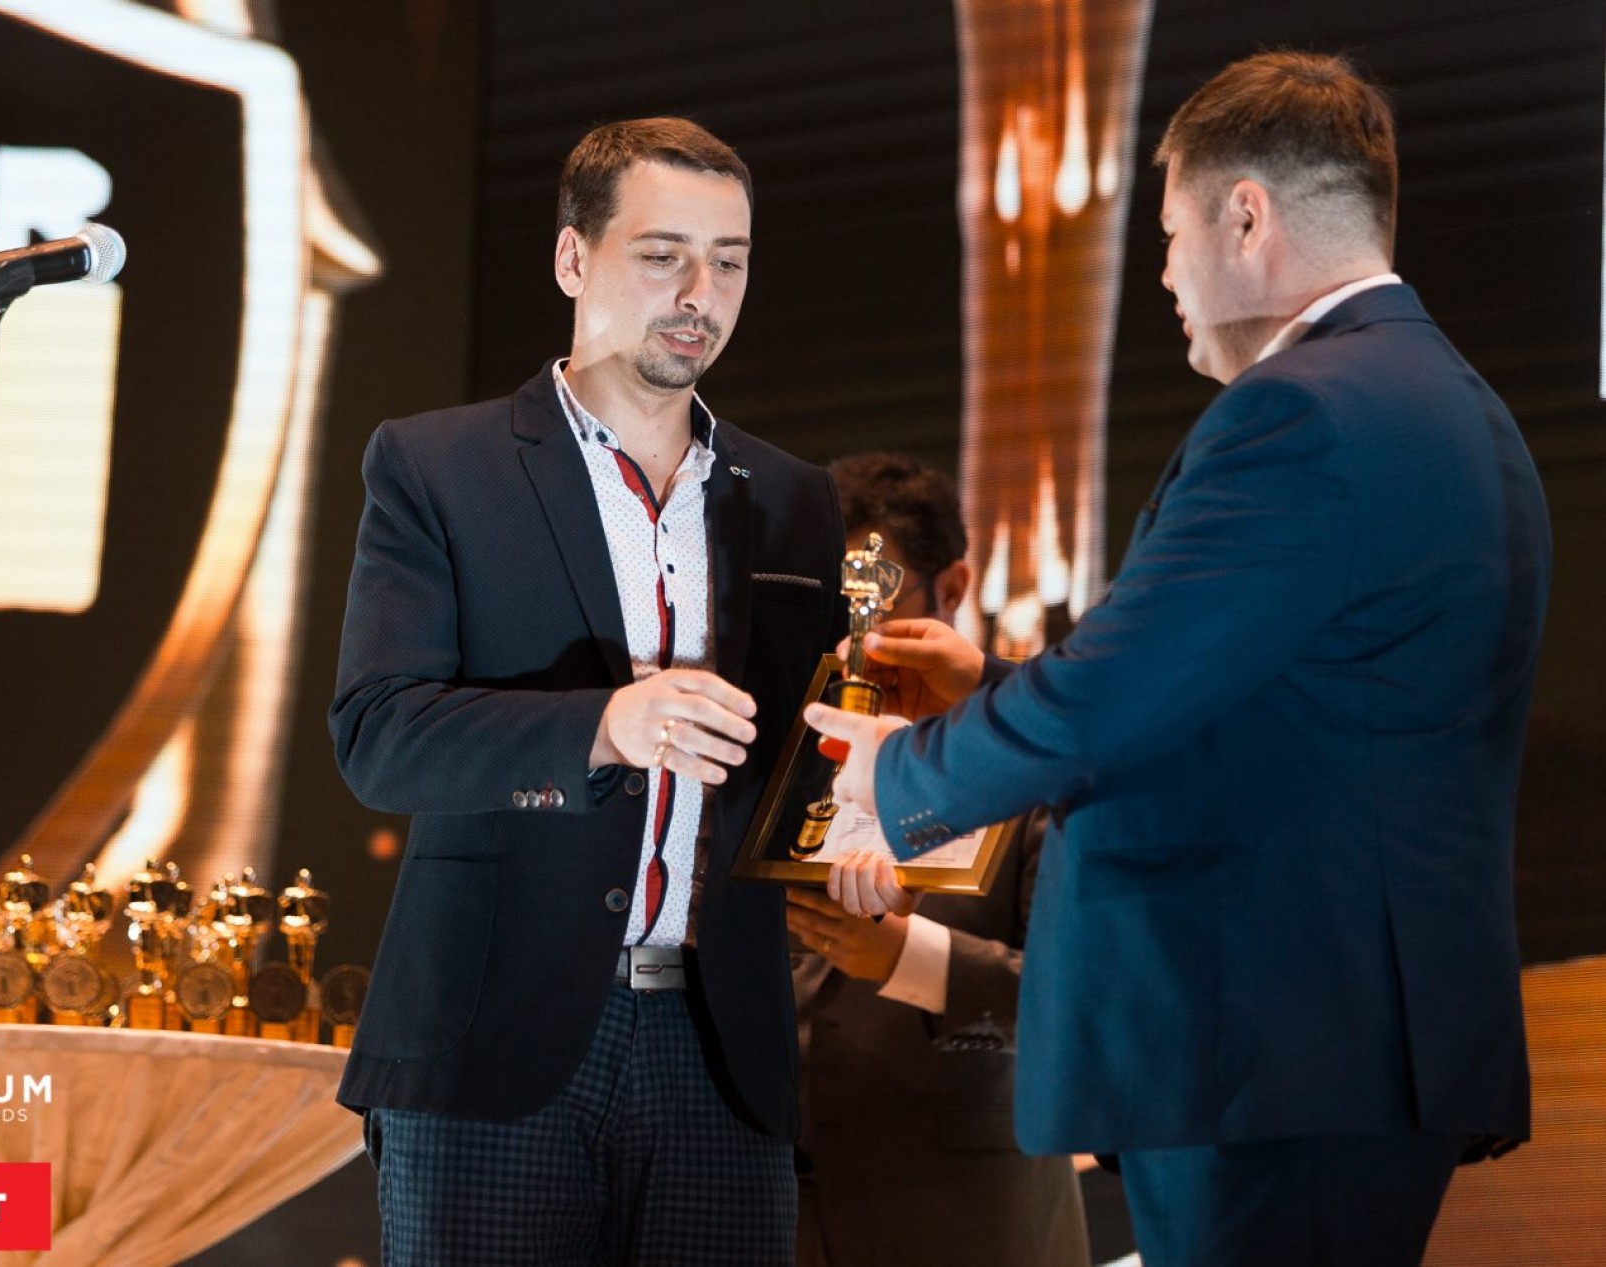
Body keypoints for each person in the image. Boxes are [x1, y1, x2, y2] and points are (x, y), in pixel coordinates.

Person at [806, 51, 1552, 1267]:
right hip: (1334, 1040)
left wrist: (889, 776)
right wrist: (989, 685)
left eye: (1167, 234)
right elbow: (1232, 694)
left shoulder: (1301, 412)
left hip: (1270, 1041)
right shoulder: (1439, 397)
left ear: (1245, 217)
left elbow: (1112, 695)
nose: (1161, 273)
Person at [329, 117, 846, 1267]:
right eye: (662, 255)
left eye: (729, 261)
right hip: (491, 1045)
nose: (699, 294)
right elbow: (379, 735)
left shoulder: (793, 499)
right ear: (573, 258)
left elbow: (799, 757)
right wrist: (606, 725)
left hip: (724, 1054)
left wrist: (861, 813)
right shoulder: (437, 465)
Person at [786, 453, 1090, 1267]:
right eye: (828, 605)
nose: (849, 636)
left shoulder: (1034, 751)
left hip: (968, 1214)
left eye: (871, 603)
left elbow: (1082, 984)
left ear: (951, 588)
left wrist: (906, 957)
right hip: (779, 1207)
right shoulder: (788, 747)